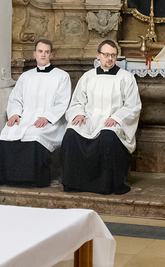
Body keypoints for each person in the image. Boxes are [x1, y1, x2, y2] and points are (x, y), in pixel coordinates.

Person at [60, 41, 141, 195]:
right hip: (89, 120)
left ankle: (104, 185)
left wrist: (116, 118)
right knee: (71, 133)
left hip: (113, 122)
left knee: (107, 136)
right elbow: (77, 101)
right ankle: (74, 183)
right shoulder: (88, 77)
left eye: (113, 55)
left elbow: (133, 106)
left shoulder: (126, 78)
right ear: (98, 56)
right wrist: (78, 113)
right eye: (106, 55)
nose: (109, 58)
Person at [0, 39, 71, 187]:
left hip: (50, 121)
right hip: (25, 118)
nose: (43, 55)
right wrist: (15, 114)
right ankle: (9, 178)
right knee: (7, 132)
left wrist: (47, 117)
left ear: (51, 55)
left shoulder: (62, 76)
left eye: (46, 52)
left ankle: (34, 179)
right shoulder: (26, 76)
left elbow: (62, 103)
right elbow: (16, 98)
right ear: (34, 54)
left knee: (36, 134)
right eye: (40, 51)